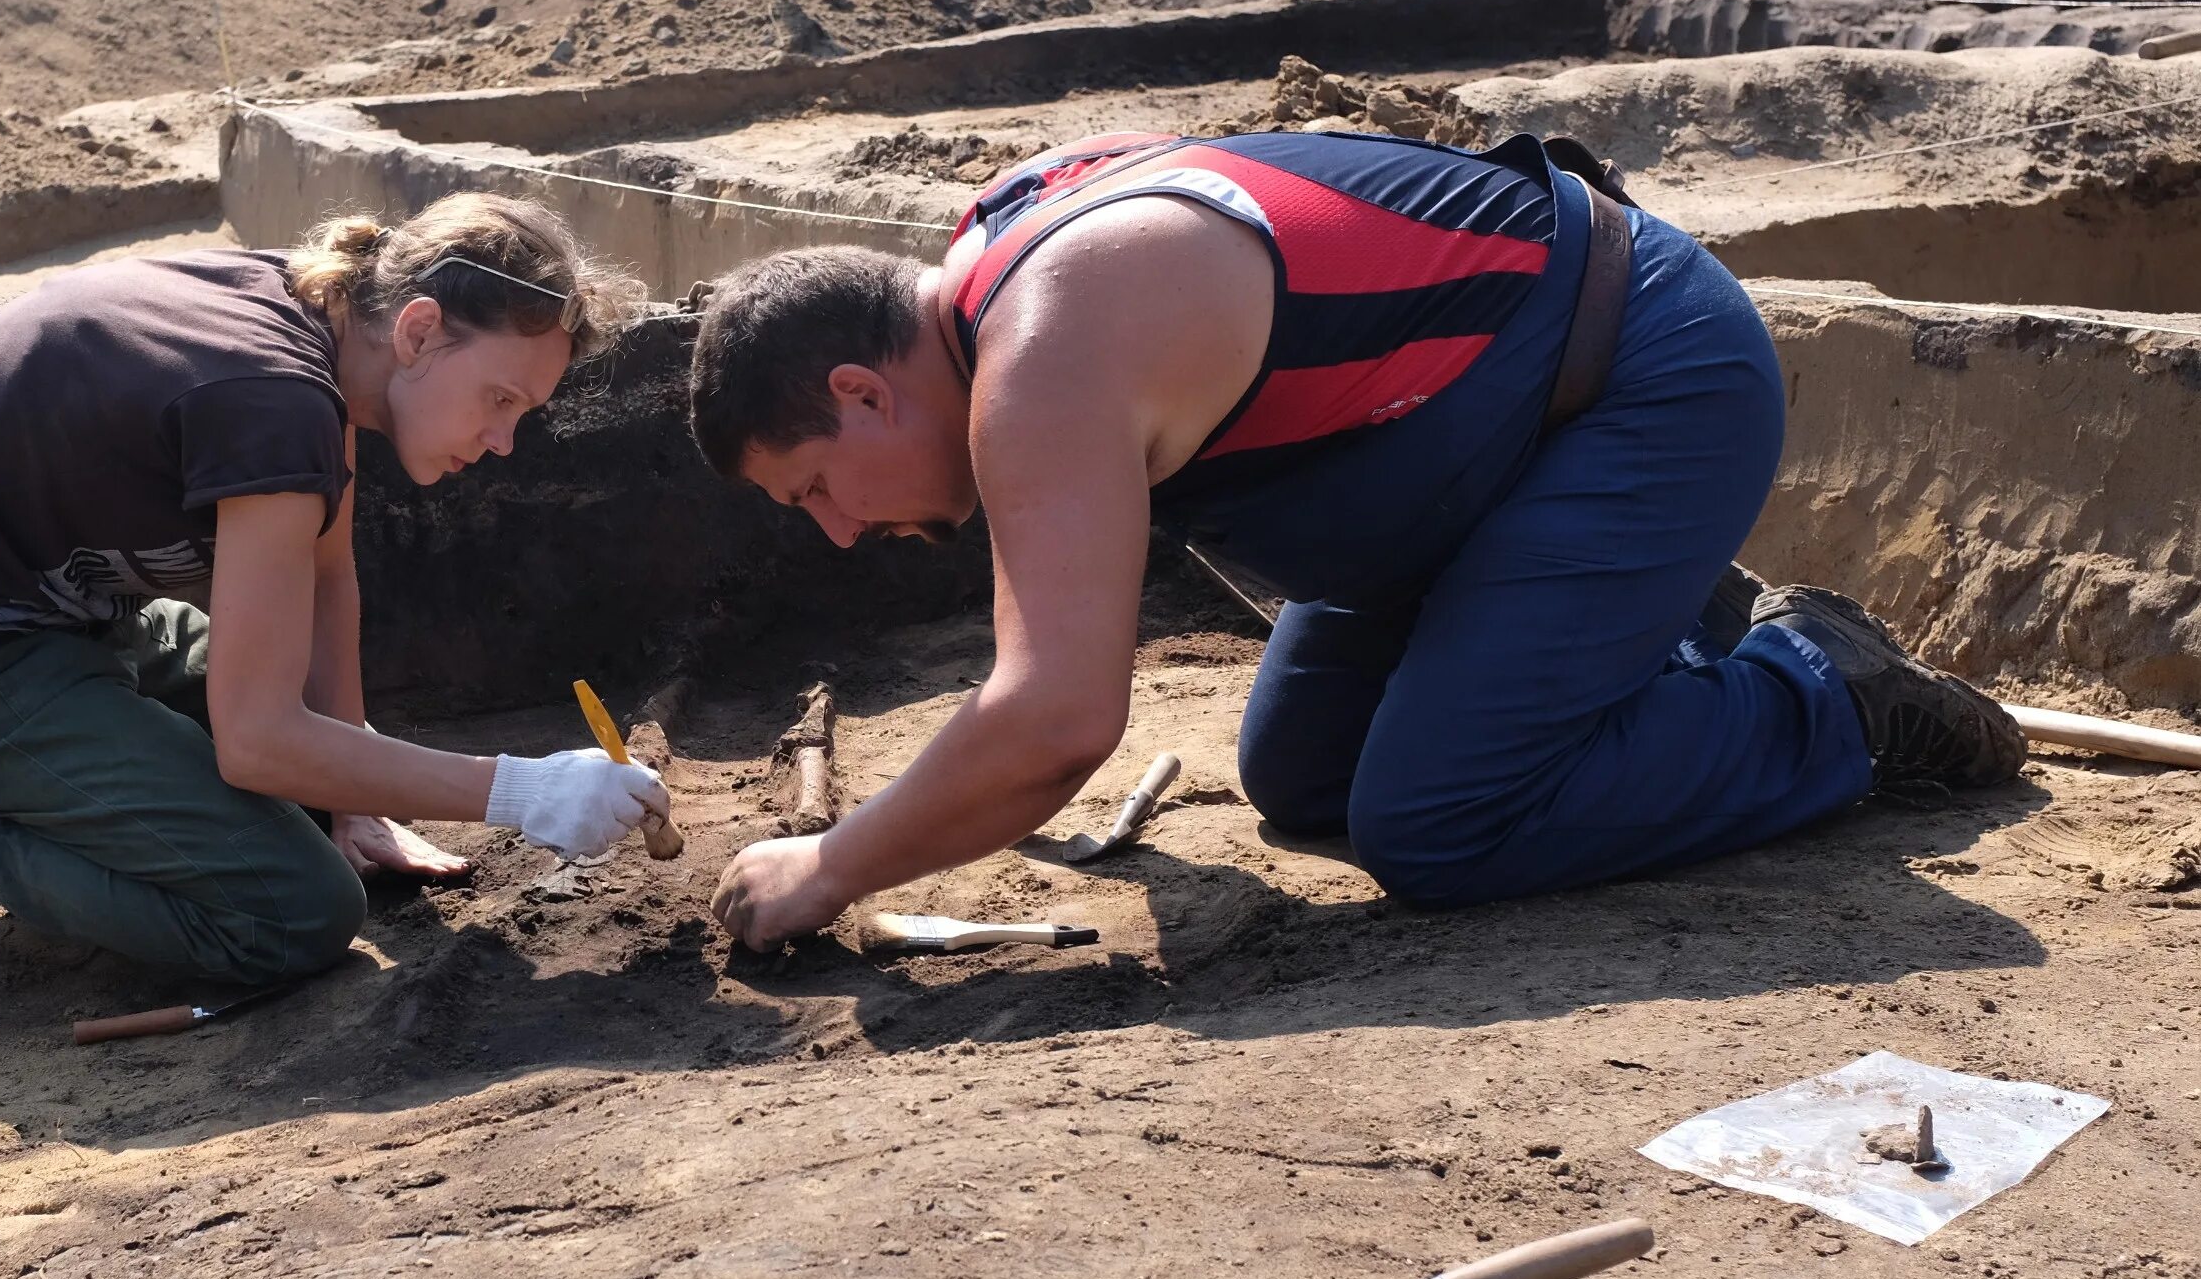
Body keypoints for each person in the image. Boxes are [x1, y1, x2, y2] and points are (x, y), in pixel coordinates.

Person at [685, 128, 2023, 949]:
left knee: (1443, 822)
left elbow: (1054, 719)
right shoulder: (999, 261)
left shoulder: (1038, 358)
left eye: (815, 486)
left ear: (864, 391)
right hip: (1473, 455)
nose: (844, 531)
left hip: (1640, 384)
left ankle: (1824, 693)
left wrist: (831, 864)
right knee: (1302, 774)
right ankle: (1650, 630)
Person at [0, 194, 669, 981]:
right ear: (420, 329)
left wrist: (356, 801)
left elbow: (324, 573)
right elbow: (257, 741)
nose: (503, 441)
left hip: (67, 623)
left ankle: (13, 789)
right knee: (293, 907)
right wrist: (524, 792)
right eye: (502, 399)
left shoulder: (322, 319)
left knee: (321, 784)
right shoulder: (273, 399)